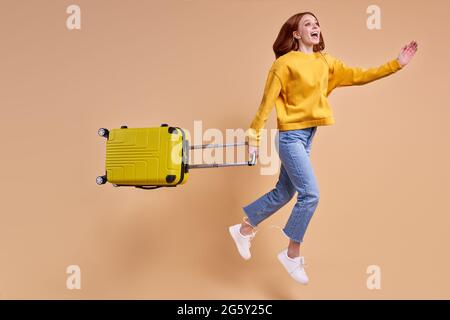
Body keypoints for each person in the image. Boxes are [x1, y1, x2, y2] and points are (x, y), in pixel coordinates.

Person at [228, 11, 418, 284]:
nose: (315, 27)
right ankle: (292, 254)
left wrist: (396, 64)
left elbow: (360, 75)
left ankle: (243, 229)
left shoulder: (325, 62)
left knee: (284, 192)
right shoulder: (284, 64)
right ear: (296, 34)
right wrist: (253, 139)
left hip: (307, 136)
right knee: (311, 194)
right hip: (290, 137)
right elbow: (266, 103)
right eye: (308, 24)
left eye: (316, 23)